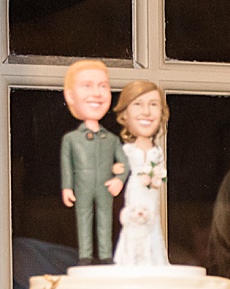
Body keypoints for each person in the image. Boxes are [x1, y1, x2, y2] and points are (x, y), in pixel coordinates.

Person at [59, 60, 127, 261]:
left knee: (105, 218)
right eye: (87, 86)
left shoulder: (112, 139)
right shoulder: (71, 139)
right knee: (84, 217)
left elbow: (125, 161)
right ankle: (85, 256)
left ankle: (105, 256)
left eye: (103, 86)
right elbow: (66, 165)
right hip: (83, 184)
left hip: (105, 185)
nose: (96, 93)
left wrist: (119, 178)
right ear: (71, 95)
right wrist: (67, 188)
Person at [111, 79, 169, 267]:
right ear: (125, 114)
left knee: (152, 223)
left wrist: (156, 177)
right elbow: (119, 169)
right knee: (135, 225)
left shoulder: (157, 151)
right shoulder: (127, 150)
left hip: (151, 194)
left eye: (153, 105)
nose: (146, 111)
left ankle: (154, 259)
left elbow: (159, 171)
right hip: (136, 191)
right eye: (138, 104)